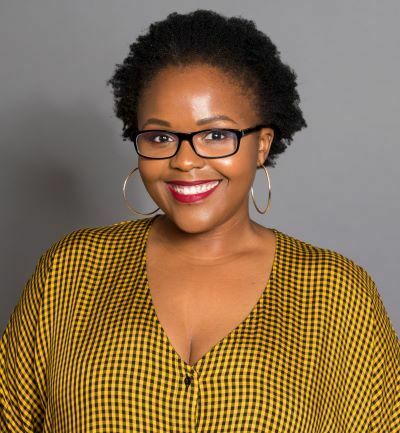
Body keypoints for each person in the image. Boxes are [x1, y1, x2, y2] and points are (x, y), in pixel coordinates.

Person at [1, 9, 399, 433]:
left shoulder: (336, 294)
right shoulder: (71, 271)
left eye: (216, 135)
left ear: (262, 145)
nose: (185, 160)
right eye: (160, 137)